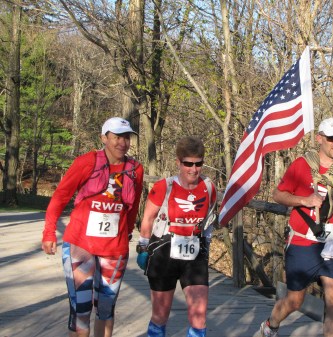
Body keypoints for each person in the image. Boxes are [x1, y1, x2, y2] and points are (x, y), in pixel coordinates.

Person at [42, 117, 144, 337]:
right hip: (80, 245)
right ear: (104, 138)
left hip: (114, 250)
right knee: (81, 309)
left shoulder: (135, 169)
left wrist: (127, 233)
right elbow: (60, 197)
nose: (122, 143)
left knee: (106, 310)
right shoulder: (86, 162)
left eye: (126, 138)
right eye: (116, 137)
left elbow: (133, 205)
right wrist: (49, 231)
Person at [260, 117, 333, 337]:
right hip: (303, 242)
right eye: (332, 138)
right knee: (295, 300)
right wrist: (304, 200)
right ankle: (271, 324)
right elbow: (277, 194)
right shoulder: (301, 166)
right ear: (319, 138)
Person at [136, 136, 217, 337]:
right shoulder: (165, 186)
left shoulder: (208, 187)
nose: (193, 169)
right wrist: (143, 246)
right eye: (188, 163)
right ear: (178, 163)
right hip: (164, 250)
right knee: (161, 315)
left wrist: (206, 243)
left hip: (194, 253)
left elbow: (210, 219)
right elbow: (148, 218)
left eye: (198, 164)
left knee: (199, 315)